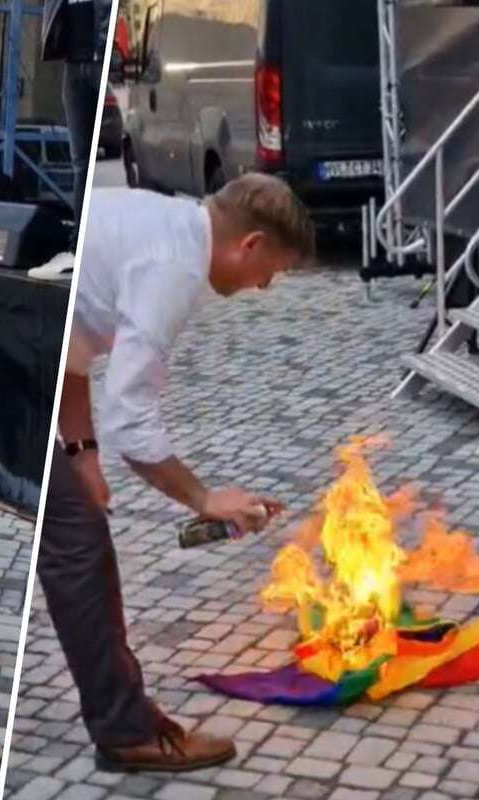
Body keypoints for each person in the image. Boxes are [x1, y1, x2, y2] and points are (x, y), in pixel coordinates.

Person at [38, 173, 316, 771]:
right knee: (78, 550)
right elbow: (131, 418)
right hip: (7, 367)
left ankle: (123, 724)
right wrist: (204, 499)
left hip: (26, 353)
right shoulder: (175, 267)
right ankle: (126, 732)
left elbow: (75, 344)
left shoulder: (159, 219)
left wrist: (81, 451)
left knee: (74, 535)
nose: (265, 286)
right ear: (250, 243)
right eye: (272, 270)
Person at [30, 0, 111, 280]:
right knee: (81, 162)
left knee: (91, 162)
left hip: (100, 61)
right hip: (73, 66)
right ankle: (79, 245)